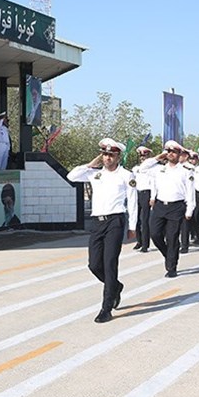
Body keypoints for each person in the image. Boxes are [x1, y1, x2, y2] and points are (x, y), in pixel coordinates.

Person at [67, 138, 137, 324]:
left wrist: (133, 226)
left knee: (110, 263)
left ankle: (106, 308)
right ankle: (115, 286)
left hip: (115, 221)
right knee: (94, 265)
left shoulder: (126, 175)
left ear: (118, 156)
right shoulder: (95, 174)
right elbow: (72, 176)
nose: (107, 158)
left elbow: (133, 201)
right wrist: (92, 163)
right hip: (97, 222)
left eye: (111, 155)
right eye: (104, 154)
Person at [140, 140, 196, 278]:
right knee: (155, 234)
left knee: (172, 237)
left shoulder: (186, 171)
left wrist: (190, 210)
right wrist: (158, 157)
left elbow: (190, 192)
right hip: (160, 205)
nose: (170, 154)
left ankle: (172, 267)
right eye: (168, 151)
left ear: (179, 154)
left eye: (174, 152)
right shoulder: (159, 169)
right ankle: (168, 254)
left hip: (176, 207)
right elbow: (143, 168)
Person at [131, 145, 155, 252]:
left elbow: (153, 183)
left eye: (144, 155)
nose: (142, 158)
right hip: (137, 193)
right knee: (135, 219)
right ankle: (139, 241)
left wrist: (153, 197)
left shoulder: (152, 169)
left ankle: (145, 245)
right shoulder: (135, 169)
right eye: (141, 156)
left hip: (146, 193)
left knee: (145, 220)